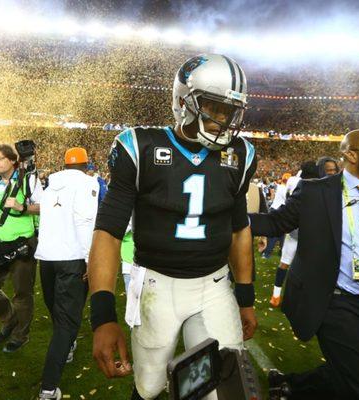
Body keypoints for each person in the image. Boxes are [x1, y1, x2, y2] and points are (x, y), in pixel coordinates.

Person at [88, 54, 257, 400]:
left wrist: (245, 296)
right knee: (148, 388)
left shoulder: (240, 154)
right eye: (213, 106)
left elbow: (239, 229)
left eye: (230, 110)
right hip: (157, 284)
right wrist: (102, 315)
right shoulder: (140, 147)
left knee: (225, 386)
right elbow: (108, 232)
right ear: (184, 100)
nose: (223, 119)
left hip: (214, 284)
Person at [249, 129, 359, 400]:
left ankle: (288, 386)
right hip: (333, 301)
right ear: (351, 155)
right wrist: (229, 216)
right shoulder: (315, 192)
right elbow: (276, 222)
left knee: (358, 370)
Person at [34, 147, 99, 400]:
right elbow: (86, 222)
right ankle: (49, 388)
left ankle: (68, 345)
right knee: (65, 323)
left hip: (47, 259)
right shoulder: (87, 183)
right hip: (72, 258)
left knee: (57, 313)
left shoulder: (51, 185)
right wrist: (88, 259)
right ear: (86, 164)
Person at [0, 144, 42, 353]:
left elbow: (44, 206)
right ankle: (9, 319)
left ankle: (20, 336)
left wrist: (22, 207)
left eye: (0, 158)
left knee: (22, 294)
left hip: (22, 243)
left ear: (13, 160)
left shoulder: (28, 180)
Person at [269, 161, 319, 307]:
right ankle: (294, 298)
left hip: (295, 232)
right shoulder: (319, 186)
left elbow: (287, 198)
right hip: (308, 234)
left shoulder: (294, 181)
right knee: (305, 267)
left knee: (284, 264)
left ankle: (276, 296)